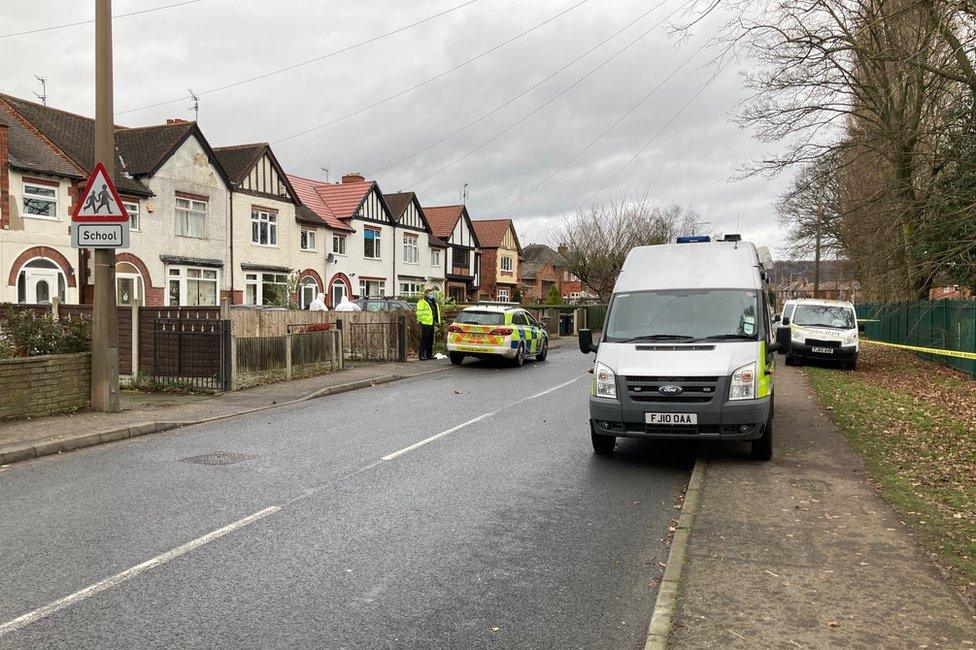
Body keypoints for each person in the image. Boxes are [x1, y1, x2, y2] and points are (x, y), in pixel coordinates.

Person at [416, 286, 441, 360]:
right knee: (424, 340)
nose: (432, 295)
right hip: (425, 323)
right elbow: (419, 313)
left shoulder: (433, 302)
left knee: (430, 339)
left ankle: (429, 355)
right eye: (431, 294)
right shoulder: (422, 302)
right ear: (426, 294)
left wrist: (437, 321)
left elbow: (436, 312)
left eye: (432, 294)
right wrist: (421, 321)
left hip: (431, 322)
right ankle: (421, 355)